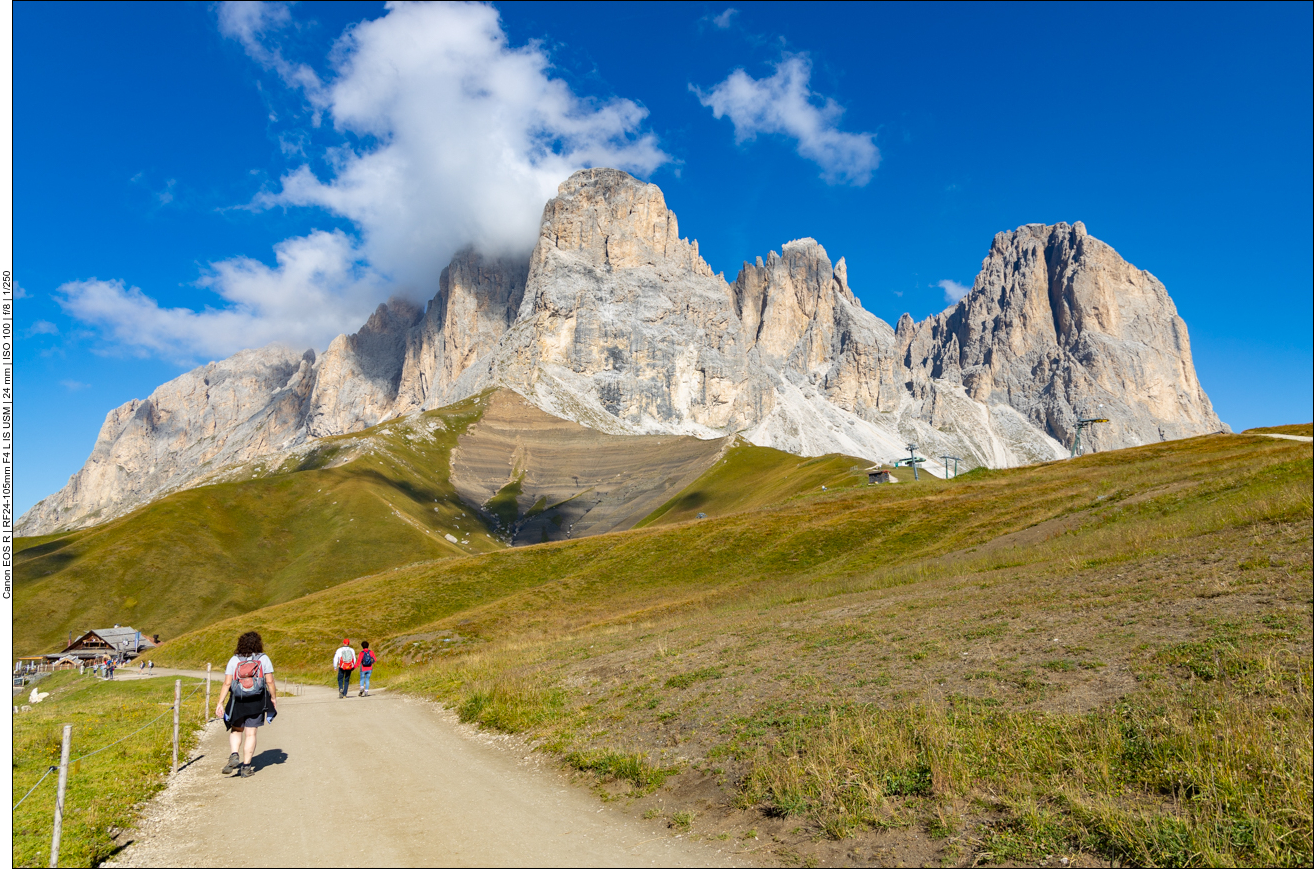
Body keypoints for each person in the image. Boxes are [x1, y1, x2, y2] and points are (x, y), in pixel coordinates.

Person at [216, 631, 277, 778]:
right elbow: (269, 681)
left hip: (237, 700)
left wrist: (220, 702)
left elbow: (227, 683)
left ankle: (234, 754)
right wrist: (273, 698)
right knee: (251, 733)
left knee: (236, 730)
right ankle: (246, 767)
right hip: (257, 701)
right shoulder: (264, 659)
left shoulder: (234, 660)